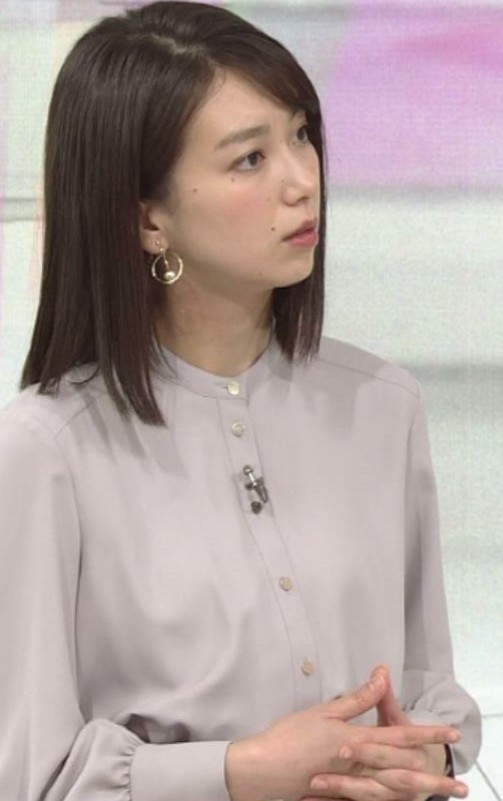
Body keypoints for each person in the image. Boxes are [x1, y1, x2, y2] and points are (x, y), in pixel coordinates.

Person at [0, 2, 481, 800]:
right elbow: (31, 773)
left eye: (301, 135)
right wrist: (238, 771)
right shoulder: (47, 449)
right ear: (147, 218)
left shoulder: (382, 405)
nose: (302, 180)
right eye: (249, 159)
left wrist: (423, 757)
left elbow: (430, 685)